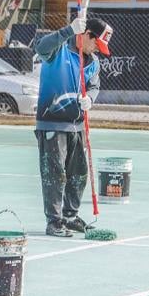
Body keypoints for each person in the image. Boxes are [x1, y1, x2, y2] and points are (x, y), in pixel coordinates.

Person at [33, 14, 113, 237]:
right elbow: (41, 47)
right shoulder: (58, 51)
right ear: (86, 35)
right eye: (96, 43)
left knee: (79, 173)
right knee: (54, 174)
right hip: (52, 123)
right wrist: (68, 30)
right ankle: (54, 221)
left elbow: (94, 85)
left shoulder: (93, 62)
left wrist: (91, 100)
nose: (97, 49)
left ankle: (70, 215)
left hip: (76, 125)